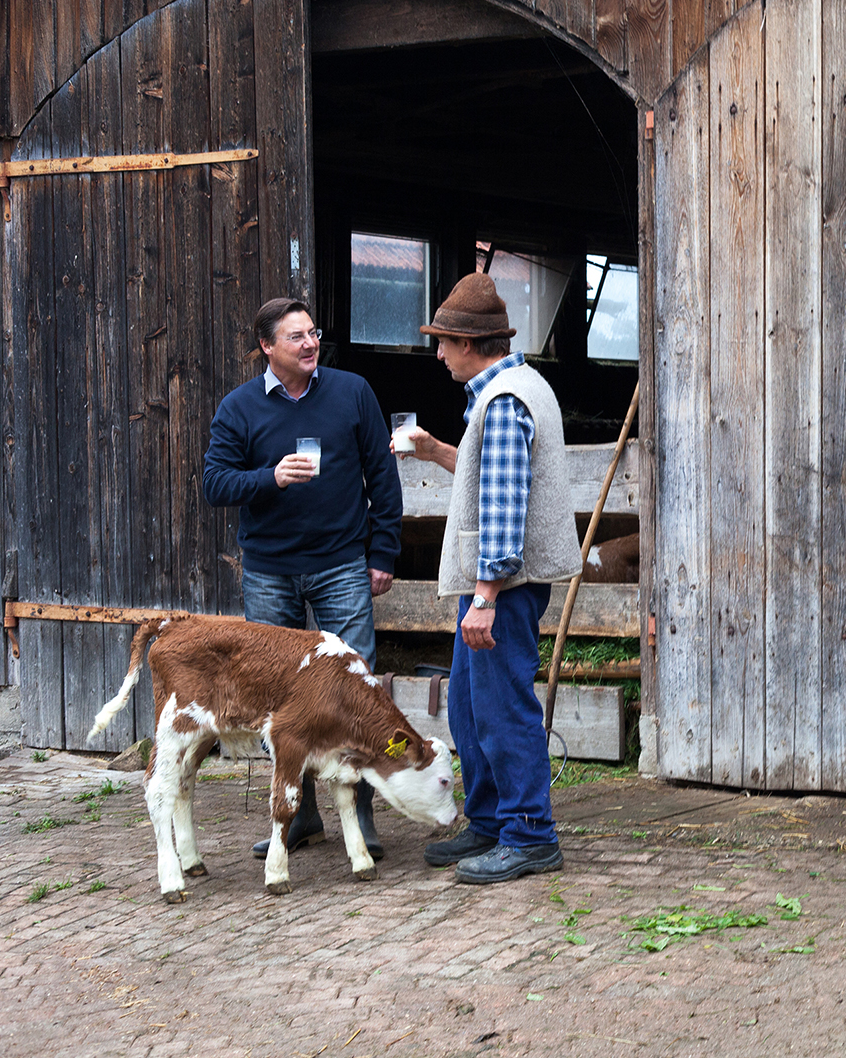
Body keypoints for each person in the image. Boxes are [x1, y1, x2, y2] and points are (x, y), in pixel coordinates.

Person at [203, 297, 403, 860]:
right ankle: (299, 815)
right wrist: (269, 477)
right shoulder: (239, 408)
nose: (310, 344)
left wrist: (382, 551)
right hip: (269, 570)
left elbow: (381, 477)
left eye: (313, 333)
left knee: (354, 689)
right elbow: (214, 483)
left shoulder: (352, 392)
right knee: (278, 698)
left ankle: (359, 820)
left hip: (341, 563)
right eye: (296, 337)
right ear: (268, 347)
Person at [398, 273, 581, 885]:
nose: (438, 353)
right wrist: (436, 452)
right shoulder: (514, 387)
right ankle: (489, 820)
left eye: (443, 342)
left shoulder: (504, 401)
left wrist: (484, 597)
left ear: (468, 344)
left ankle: (529, 833)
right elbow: (490, 472)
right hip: (499, 585)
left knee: (502, 709)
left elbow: (504, 508)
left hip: (502, 586)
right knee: (472, 705)